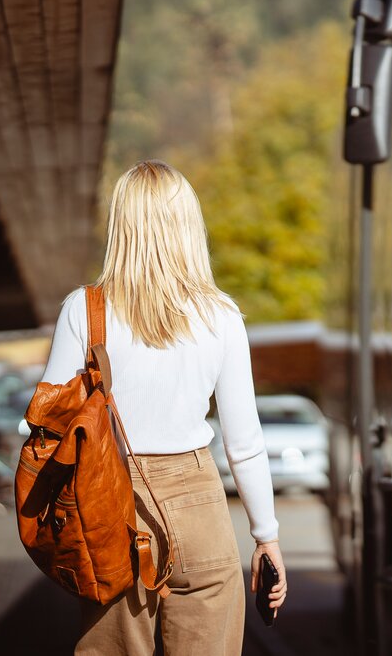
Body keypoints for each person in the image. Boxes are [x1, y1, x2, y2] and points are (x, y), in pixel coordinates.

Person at [40, 160, 286, 655]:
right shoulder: (221, 315)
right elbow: (244, 443)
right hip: (200, 506)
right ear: (188, 224)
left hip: (108, 502)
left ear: (121, 225)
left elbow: (49, 424)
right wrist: (266, 538)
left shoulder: (83, 309)